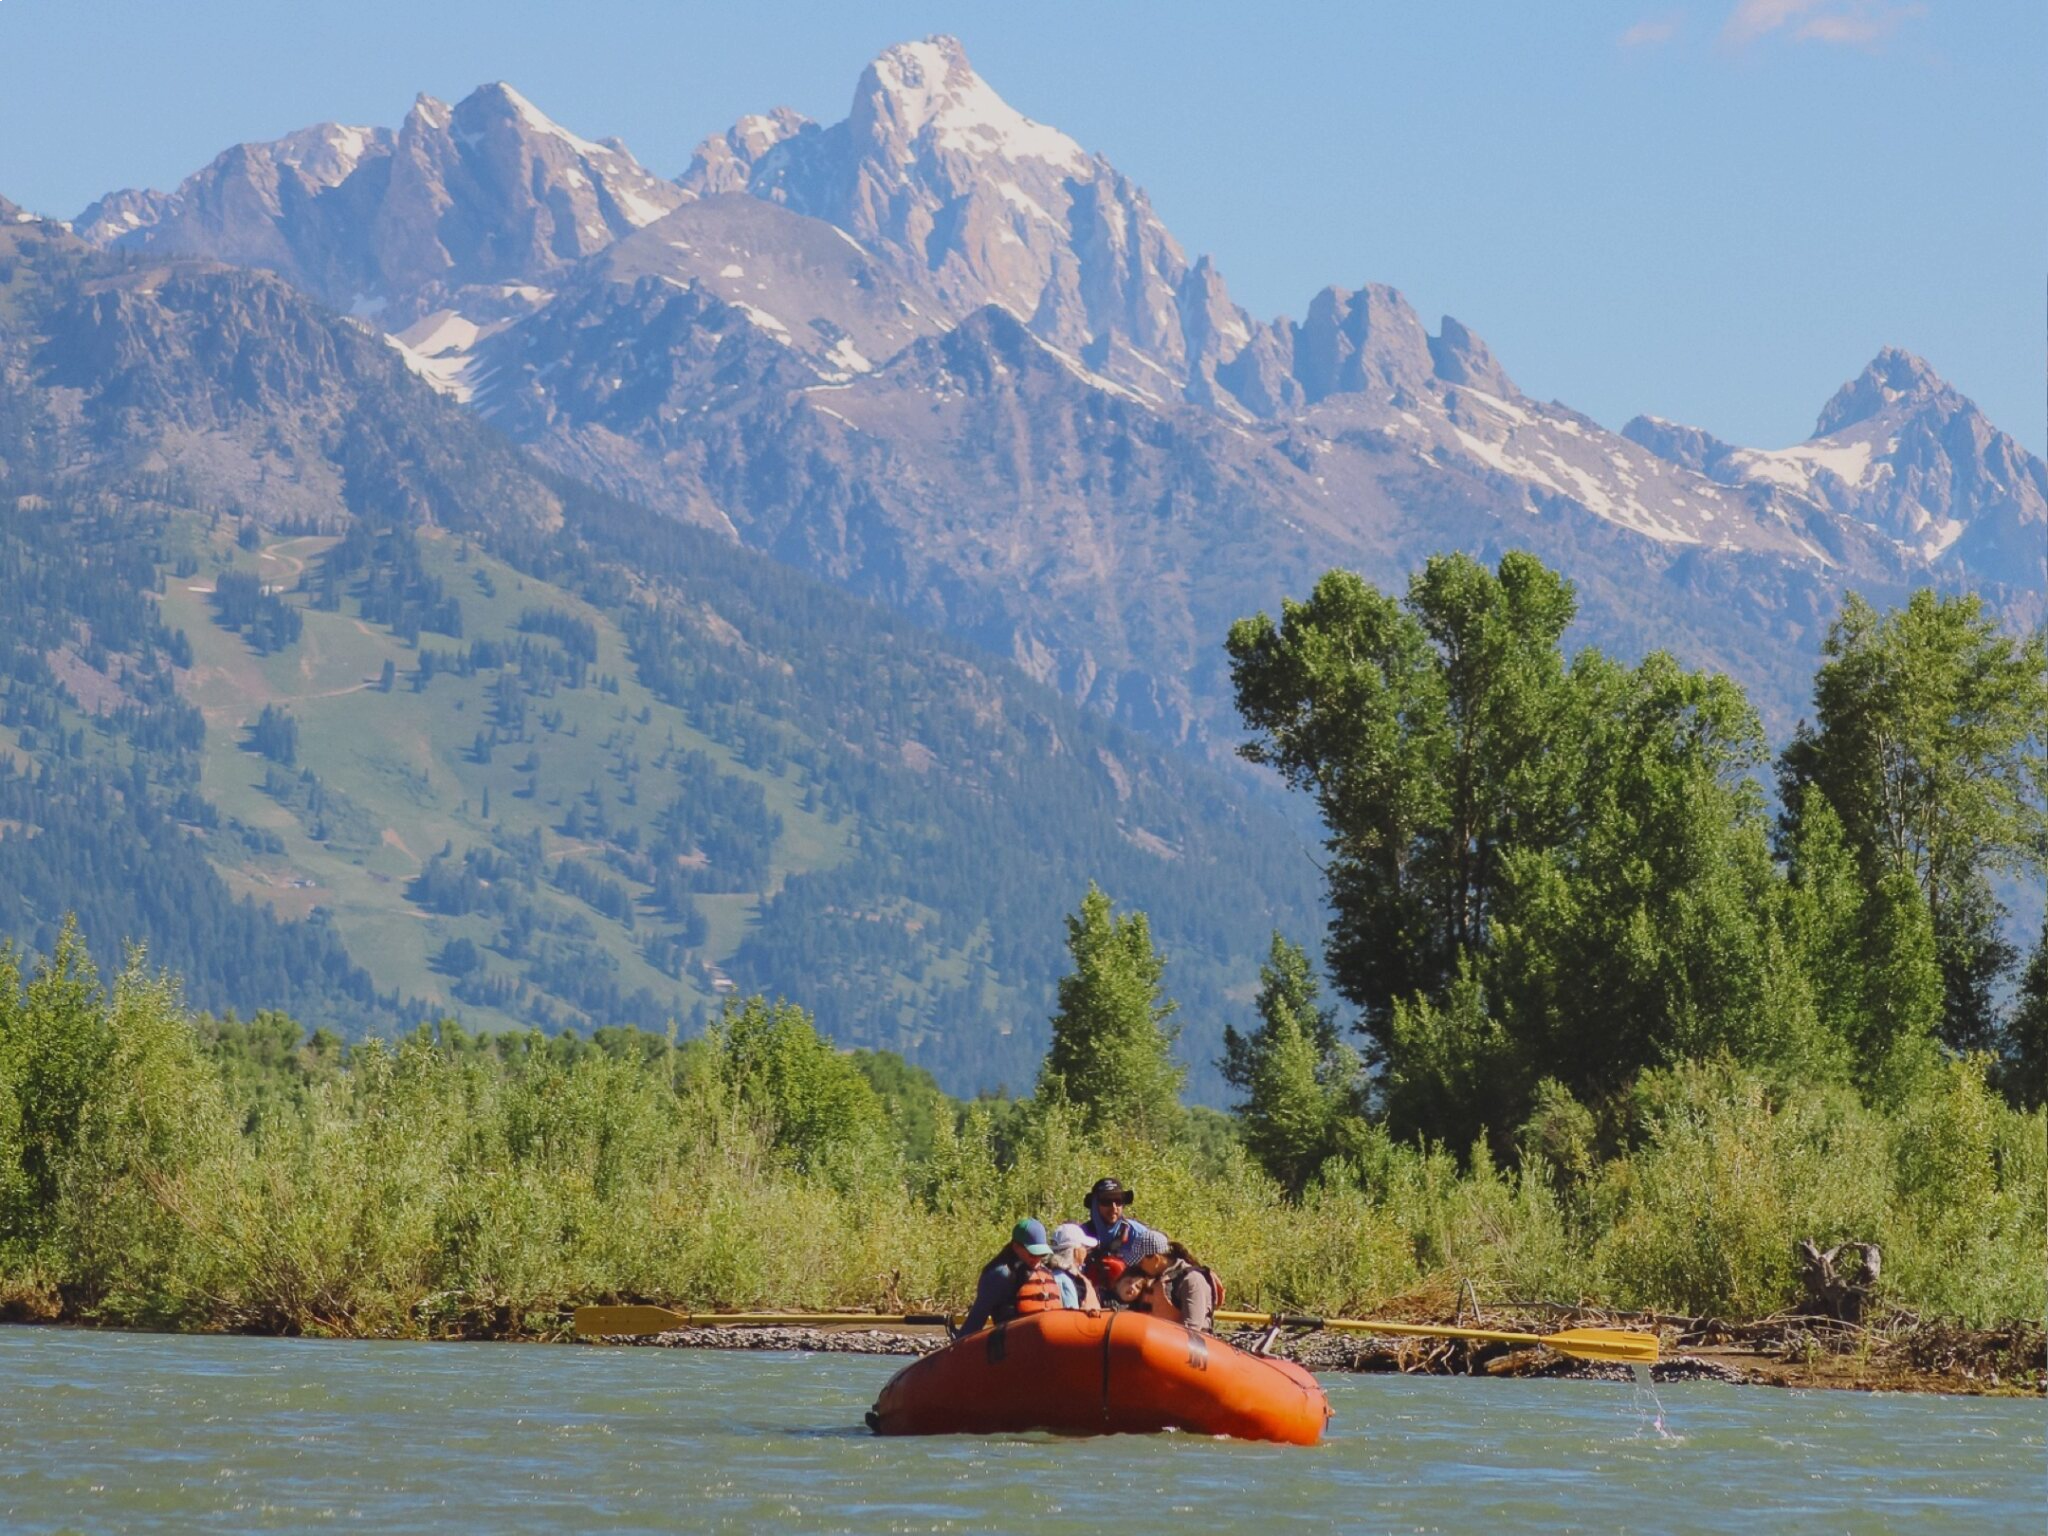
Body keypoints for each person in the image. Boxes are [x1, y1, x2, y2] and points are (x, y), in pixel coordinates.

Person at [958, 1218, 1064, 1334]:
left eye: (1042, 1254)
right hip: (1013, 1344)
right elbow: (975, 1321)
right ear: (1016, 1246)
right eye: (1033, 1253)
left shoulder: (1045, 1272)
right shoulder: (999, 1274)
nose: (1037, 1258)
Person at [1113, 1231, 1221, 1333]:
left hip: (1184, 1348)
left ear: (1156, 1259)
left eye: (1141, 1262)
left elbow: (1192, 1329)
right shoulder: (1153, 1279)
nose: (1138, 1267)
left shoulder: (1192, 1280)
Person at [1078, 1176, 1158, 1292]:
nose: (1114, 1207)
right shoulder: (1079, 1235)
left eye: (1118, 1201)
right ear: (1094, 1204)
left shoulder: (1139, 1234)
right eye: (1106, 1201)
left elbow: (1155, 1272)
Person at [1047, 1222, 1102, 1311]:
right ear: (1076, 1252)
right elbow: (1072, 1319)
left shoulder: (1049, 1275)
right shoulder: (1065, 1281)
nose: (1086, 1251)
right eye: (1084, 1247)